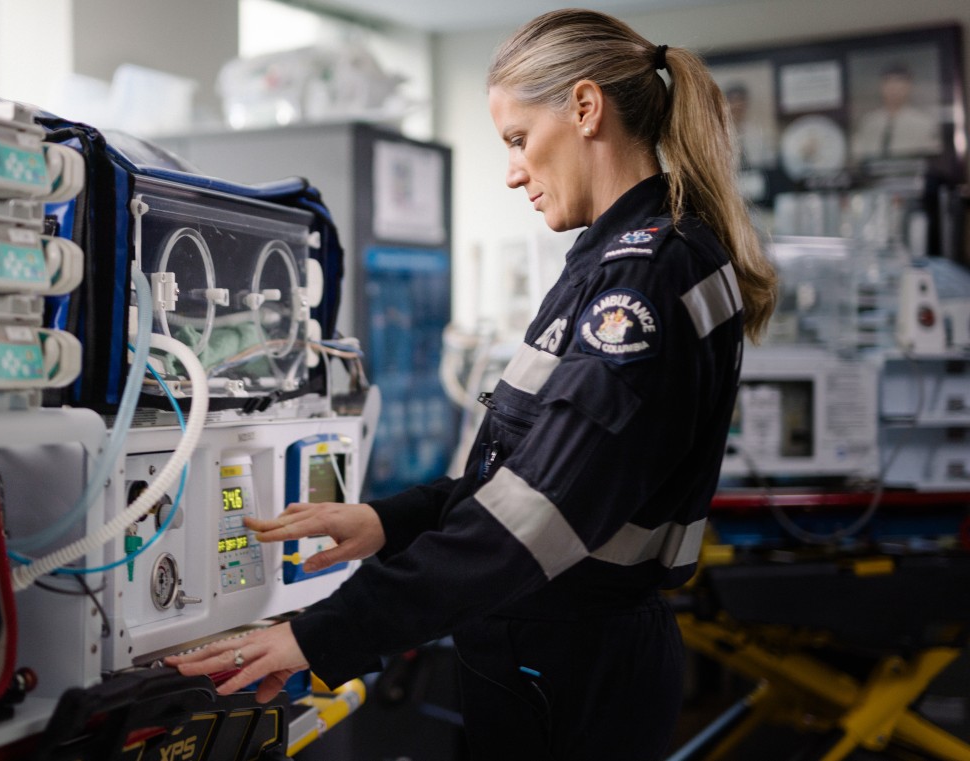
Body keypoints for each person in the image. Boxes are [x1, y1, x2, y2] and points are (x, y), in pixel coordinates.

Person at [168, 9, 778, 759]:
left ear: (586, 109)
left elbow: (534, 517)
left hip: (570, 666)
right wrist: (388, 521)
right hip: (556, 653)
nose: (514, 170)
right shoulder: (626, 257)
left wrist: (323, 634)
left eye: (520, 140)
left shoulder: (642, 280)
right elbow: (525, 472)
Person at [850, 63, 941, 160]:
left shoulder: (924, 123)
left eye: (899, 82)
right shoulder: (868, 122)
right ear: (881, 86)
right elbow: (857, 155)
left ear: (909, 86)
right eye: (888, 82)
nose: (893, 88)